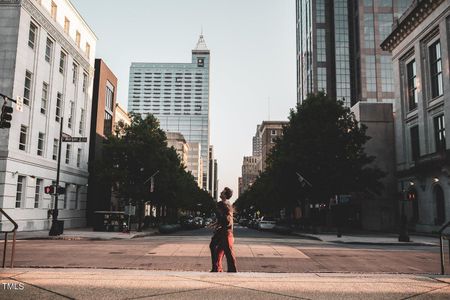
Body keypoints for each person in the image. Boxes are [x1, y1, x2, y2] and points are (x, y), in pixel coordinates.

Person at [209, 187, 237, 272]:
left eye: (222, 192)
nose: (220, 193)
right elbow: (224, 218)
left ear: (225, 195)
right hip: (224, 231)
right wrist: (216, 224)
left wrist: (219, 225)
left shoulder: (222, 204)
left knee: (227, 251)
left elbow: (227, 219)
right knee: (219, 249)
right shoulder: (227, 204)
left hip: (225, 232)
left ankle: (228, 269)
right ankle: (217, 268)